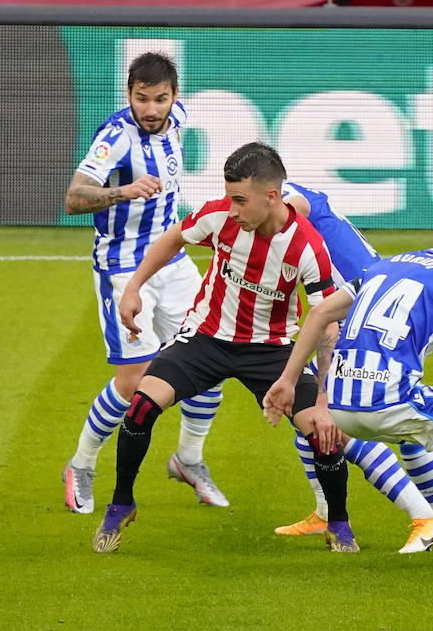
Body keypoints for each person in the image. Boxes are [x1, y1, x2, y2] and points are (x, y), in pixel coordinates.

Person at [93, 142, 356, 554]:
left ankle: (339, 524)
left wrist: (324, 399)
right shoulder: (220, 215)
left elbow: (326, 326)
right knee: (141, 406)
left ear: (271, 196)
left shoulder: (306, 246)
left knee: (322, 432)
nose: (232, 209)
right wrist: (134, 286)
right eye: (229, 197)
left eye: (240, 200)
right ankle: (121, 503)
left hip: (271, 349)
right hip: (206, 338)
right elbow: (174, 238)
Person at [263, 208, 433, 581]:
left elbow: (321, 313)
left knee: (415, 434)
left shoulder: (381, 267)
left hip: (339, 403)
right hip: (388, 400)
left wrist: (288, 380)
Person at [61, 52, 227, 516]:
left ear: (175, 97)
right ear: (128, 95)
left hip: (172, 261)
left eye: (160, 99)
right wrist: (121, 191)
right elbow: (74, 197)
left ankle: (189, 460)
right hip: (122, 268)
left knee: (211, 354)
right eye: (141, 99)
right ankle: (81, 464)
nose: (151, 109)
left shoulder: (178, 119)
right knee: (135, 381)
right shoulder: (115, 138)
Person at [277, 180, 433, 556]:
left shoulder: (289, 197)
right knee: (306, 417)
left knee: (346, 416)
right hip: (373, 302)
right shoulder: (279, 199)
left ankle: (426, 516)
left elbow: (294, 209)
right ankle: (325, 511)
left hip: (373, 315)